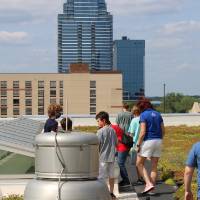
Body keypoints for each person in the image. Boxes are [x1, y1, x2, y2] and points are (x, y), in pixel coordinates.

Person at [135, 98, 165, 194]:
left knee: (139, 163)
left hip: (148, 140)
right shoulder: (158, 114)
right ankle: (151, 189)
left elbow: (143, 132)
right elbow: (163, 131)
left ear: (141, 107)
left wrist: (138, 144)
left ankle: (148, 184)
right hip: (159, 140)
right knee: (154, 166)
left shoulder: (143, 115)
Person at [96, 111, 118, 199]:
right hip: (112, 157)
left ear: (103, 120)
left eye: (98, 121)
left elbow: (97, 144)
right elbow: (116, 143)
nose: (98, 123)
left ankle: (102, 194)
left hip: (102, 158)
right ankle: (111, 193)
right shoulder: (113, 130)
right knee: (111, 176)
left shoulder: (100, 131)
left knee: (101, 177)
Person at [128, 105, 143, 184]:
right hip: (144, 142)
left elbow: (131, 133)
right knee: (142, 161)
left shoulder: (134, 120)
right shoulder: (144, 119)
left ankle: (140, 178)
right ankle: (144, 177)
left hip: (135, 143)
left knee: (137, 162)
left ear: (133, 112)